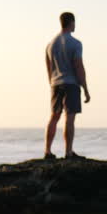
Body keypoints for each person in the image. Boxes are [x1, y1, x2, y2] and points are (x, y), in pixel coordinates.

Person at [43, 11, 90, 160]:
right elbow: (79, 66)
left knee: (54, 117)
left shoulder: (50, 45)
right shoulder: (75, 43)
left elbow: (49, 68)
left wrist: (52, 83)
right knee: (69, 118)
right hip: (71, 83)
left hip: (55, 83)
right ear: (72, 22)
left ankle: (47, 151)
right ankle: (68, 152)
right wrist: (85, 88)